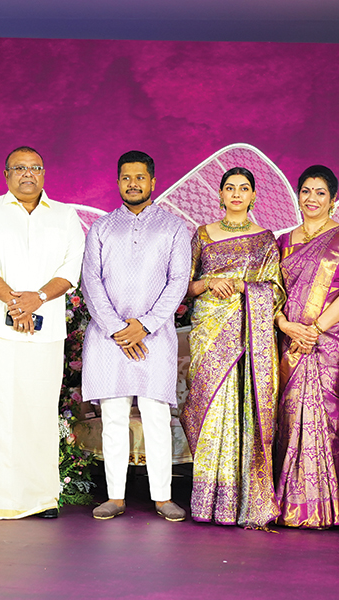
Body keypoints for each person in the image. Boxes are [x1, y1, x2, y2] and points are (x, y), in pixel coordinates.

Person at [0, 146, 84, 520]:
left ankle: (40, 498)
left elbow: (71, 268)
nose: (27, 173)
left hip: (46, 334)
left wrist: (38, 298)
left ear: (44, 173)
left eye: (35, 167)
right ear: (6, 174)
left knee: (39, 414)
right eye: (19, 168)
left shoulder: (64, 215)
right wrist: (17, 304)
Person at [81, 151, 190, 522]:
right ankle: (115, 497)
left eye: (140, 177)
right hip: (108, 338)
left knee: (156, 416)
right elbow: (91, 280)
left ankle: (162, 497)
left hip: (154, 338)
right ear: (118, 182)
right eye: (126, 177)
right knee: (113, 417)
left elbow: (178, 280)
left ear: (153, 181)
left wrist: (144, 325)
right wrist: (117, 328)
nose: (133, 184)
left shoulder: (173, 227)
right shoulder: (102, 228)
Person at [180, 167, 285, 528]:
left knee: (243, 412)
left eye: (244, 188)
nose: (237, 194)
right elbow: (184, 287)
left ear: (253, 195)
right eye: (230, 188)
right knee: (209, 410)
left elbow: (274, 292)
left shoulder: (265, 240)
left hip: (246, 336)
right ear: (221, 194)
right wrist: (210, 282)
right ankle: (207, 501)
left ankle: (238, 502)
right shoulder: (202, 234)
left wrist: (242, 287)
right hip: (208, 332)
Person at [273, 165, 339, 529]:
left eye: (320, 193)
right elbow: (272, 294)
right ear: (298, 196)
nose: (312, 199)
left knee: (330, 419)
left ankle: (325, 509)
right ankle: (287, 504)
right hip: (291, 340)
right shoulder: (283, 241)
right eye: (306, 191)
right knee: (289, 417)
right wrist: (286, 326)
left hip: (329, 341)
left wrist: (315, 329)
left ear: (333, 199)